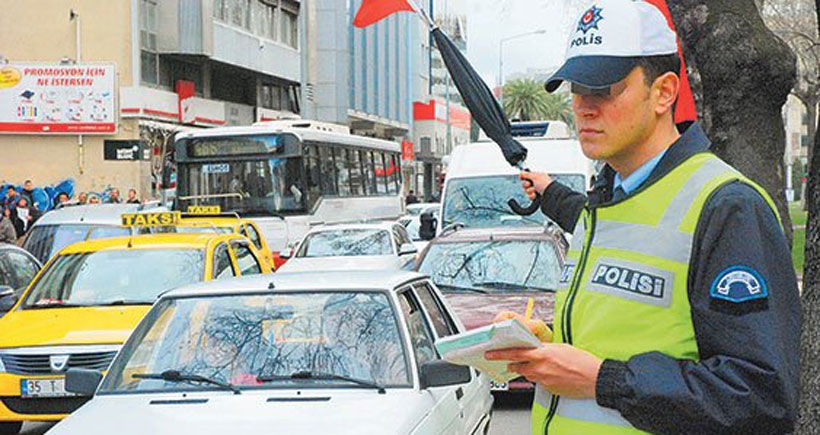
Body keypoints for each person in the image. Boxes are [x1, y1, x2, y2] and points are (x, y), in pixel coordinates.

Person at [485, 1, 800, 434]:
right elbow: (628, 334)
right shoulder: (607, 197)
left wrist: (604, 381)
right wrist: (549, 341)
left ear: (664, 92)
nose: (583, 106)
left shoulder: (728, 207)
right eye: (577, 88)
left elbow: (760, 397)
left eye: (604, 88)